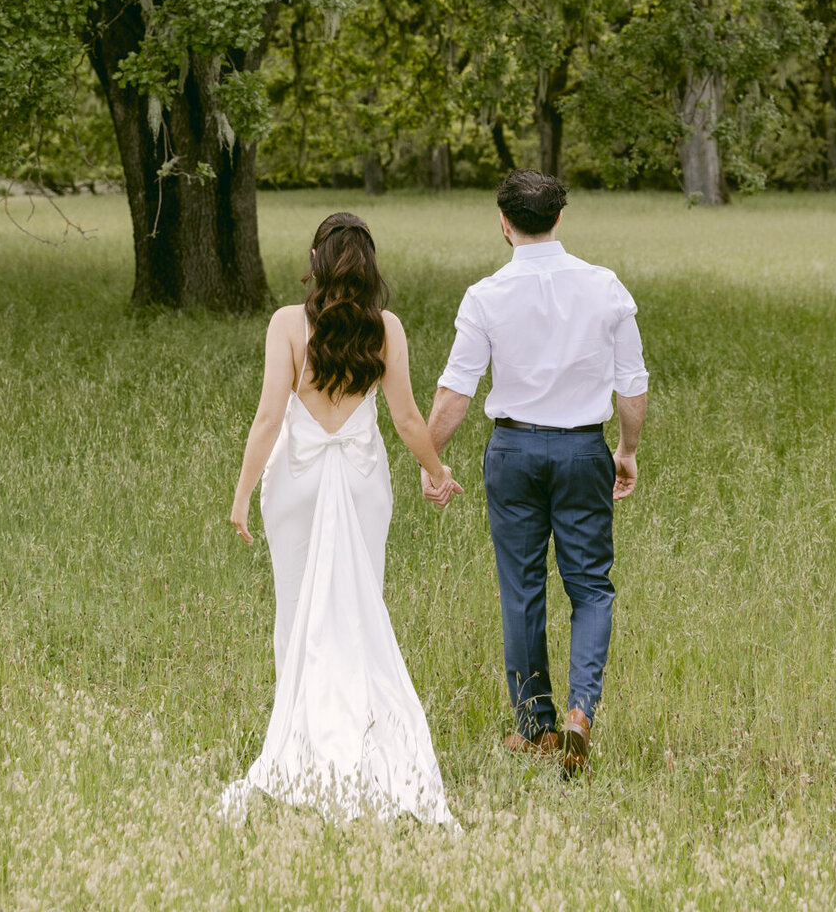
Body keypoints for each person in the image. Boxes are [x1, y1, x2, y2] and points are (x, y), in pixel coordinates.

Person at [220, 212, 461, 825]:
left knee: (296, 608)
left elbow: (268, 418)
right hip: (360, 481)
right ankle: (357, 729)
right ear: (371, 267)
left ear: (314, 259)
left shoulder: (286, 325)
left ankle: (300, 735)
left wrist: (243, 493)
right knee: (357, 606)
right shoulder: (387, 329)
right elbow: (407, 419)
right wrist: (436, 471)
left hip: (295, 484)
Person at [423, 171, 648, 776]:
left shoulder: (486, 295)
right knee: (591, 587)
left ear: (504, 222)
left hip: (514, 452)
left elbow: (456, 391)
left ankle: (534, 728)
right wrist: (625, 450)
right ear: (559, 219)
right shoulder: (605, 287)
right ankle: (581, 712)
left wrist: (431, 458)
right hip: (581, 450)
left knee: (522, 589)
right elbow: (632, 385)